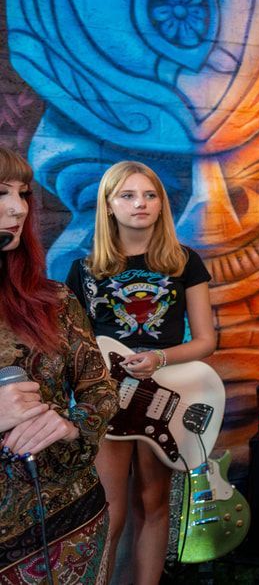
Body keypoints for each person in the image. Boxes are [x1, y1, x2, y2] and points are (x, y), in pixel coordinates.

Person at [64, 161, 216, 585]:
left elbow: (206, 341)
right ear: (109, 206)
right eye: (128, 195)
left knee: (153, 505)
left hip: (161, 399)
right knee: (108, 514)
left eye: (150, 195)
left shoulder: (184, 262)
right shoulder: (83, 271)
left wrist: (160, 359)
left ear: (161, 204)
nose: (140, 204)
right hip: (108, 404)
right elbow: (73, 348)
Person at [0, 146, 119, 583]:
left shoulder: (54, 300)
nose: (17, 208)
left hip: (73, 522)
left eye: (23, 193)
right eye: (1, 193)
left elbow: (101, 390)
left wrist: (72, 425)